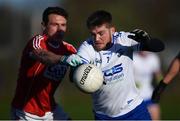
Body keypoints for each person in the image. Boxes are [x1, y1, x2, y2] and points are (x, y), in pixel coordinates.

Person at [33, 10, 164, 120]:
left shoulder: (124, 40)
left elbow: (159, 47)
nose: (96, 39)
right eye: (93, 34)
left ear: (112, 30)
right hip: (104, 116)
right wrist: (76, 71)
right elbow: (74, 76)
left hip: (135, 111)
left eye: (101, 33)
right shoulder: (87, 47)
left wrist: (147, 41)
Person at [11, 6, 81, 120]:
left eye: (63, 25)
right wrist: (62, 59)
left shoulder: (70, 49)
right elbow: (43, 56)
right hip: (25, 111)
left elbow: (74, 77)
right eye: (55, 25)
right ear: (44, 25)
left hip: (51, 110)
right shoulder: (37, 42)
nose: (60, 29)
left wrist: (82, 72)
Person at [133, 51, 163, 120]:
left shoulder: (153, 58)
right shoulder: (133, 57)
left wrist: (161, 86)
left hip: (150, 95)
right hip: (136, 99)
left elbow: (158, 74)